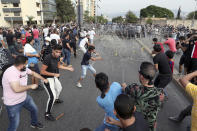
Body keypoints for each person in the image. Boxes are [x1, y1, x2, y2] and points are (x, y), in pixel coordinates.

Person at [2, 55, 48, 131]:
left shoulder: (24, 69)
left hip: (24, 98)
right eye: (26, 64)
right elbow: (16, 89)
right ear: (21, 64)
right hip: (13, 103)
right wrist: (31, 86)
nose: (27, 65)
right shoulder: (11, 72)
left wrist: (43, 79)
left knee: (34, 109)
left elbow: (33, 73)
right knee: (14, 125)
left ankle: (34, 123)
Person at [122, 62, 162, 131]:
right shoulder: (160, 92)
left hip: (139, 124)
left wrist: (124, 85)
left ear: (141, 76)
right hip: (151, 125)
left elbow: (125, 89)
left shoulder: (135, 89)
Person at [40, 44, 74, 121]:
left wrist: (67, 68)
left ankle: (55, 100)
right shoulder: (47, 58)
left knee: (59, 88)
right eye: (56, 52)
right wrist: (54, 74)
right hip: (46, 78)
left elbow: (58, 66)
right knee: (52, 96)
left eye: (59, 52)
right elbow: (42, 71)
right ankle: (47, 114)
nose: (58, 53)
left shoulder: (58, 57)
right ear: (53, 51)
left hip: (53, 77)